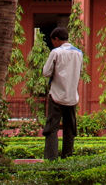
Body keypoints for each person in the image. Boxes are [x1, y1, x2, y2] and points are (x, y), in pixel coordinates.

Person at [42, 27, 83, 160]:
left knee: (52, 128)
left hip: (56, 95)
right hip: (72, 96)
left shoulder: (56, 52)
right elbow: (80, 71)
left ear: (56, 39)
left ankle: (51, 158)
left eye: (53, 41)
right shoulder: (78, 53)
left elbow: (46, 72)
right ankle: (67, 157)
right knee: (70, 128)